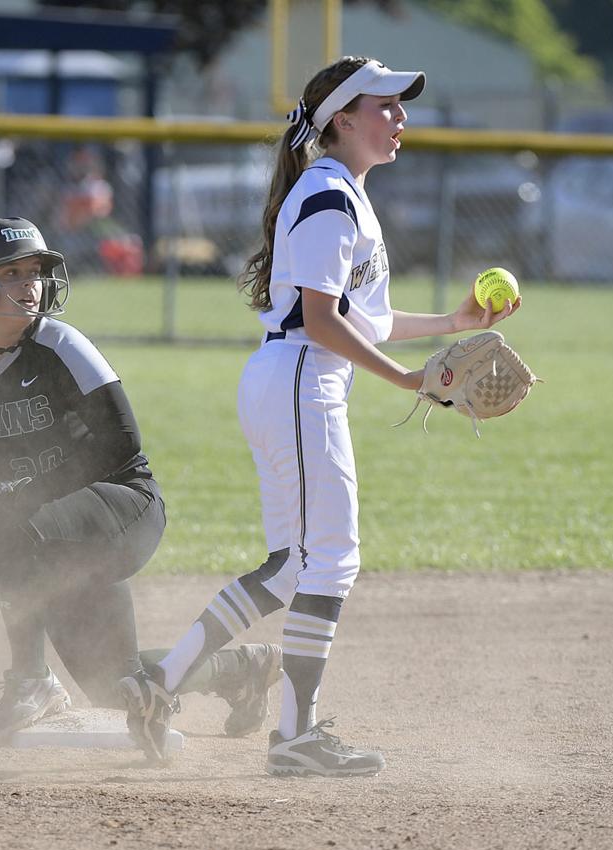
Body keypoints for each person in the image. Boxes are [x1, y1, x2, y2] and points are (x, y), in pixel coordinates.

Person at [118, 57, 521, 775]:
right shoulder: (330, 197)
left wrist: (452, 320)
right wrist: (406, 380)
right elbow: (321, 321)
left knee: (291, 566)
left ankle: (161, 683)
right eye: (385, 105)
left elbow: (360, 316)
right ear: (343, 119)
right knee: (330, 561)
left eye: (400, 106)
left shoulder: (342, 194)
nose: (399, 117)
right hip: (303, 379)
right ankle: (294, 735)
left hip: (293, 379)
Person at [0, 217, 282, 739]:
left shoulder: (60, 345)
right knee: (111, 684)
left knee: (3, 520)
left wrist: (27, 493)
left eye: (35, 271)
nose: (29, 284)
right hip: (49, 532)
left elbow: (123, 444)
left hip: (123, 506)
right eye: (11, 272)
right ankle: (241, 672)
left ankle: (31, 680)